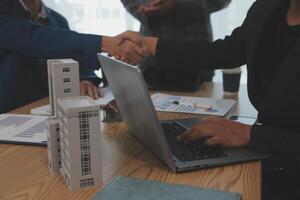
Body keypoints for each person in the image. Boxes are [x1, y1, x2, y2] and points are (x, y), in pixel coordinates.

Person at [119, 0, 300, 199]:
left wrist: (253, 135)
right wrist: (152, 45)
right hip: (271, 161)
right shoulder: (268, 7)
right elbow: (225, 51)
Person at [0, 0, 147, 113]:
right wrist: (106, 43)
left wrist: (84, 79)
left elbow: (74, 58)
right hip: (10, 113)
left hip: (49, 112)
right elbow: (36, 38)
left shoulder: (58, 20)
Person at [121, 0, 231, 91]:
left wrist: (178, 4)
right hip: (150, 57)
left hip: (195, 54)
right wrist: (144, 5)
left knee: (201, 112)